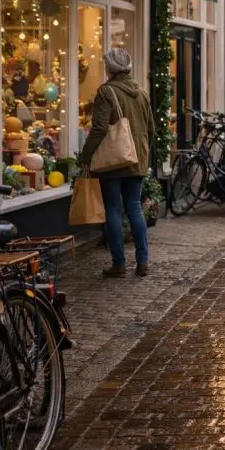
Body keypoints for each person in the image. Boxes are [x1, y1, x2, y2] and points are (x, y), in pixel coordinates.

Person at [79, 48, 157, 278]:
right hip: (137, 159)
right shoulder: (141, 92)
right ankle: (142, 262)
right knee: (134, 206)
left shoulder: (106, 92)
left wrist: (86, 156)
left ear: (111, 68)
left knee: (113, 209)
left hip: (113, 161)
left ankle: (119, 263)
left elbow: (100, 128)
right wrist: (143, 152)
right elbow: (151, 128)